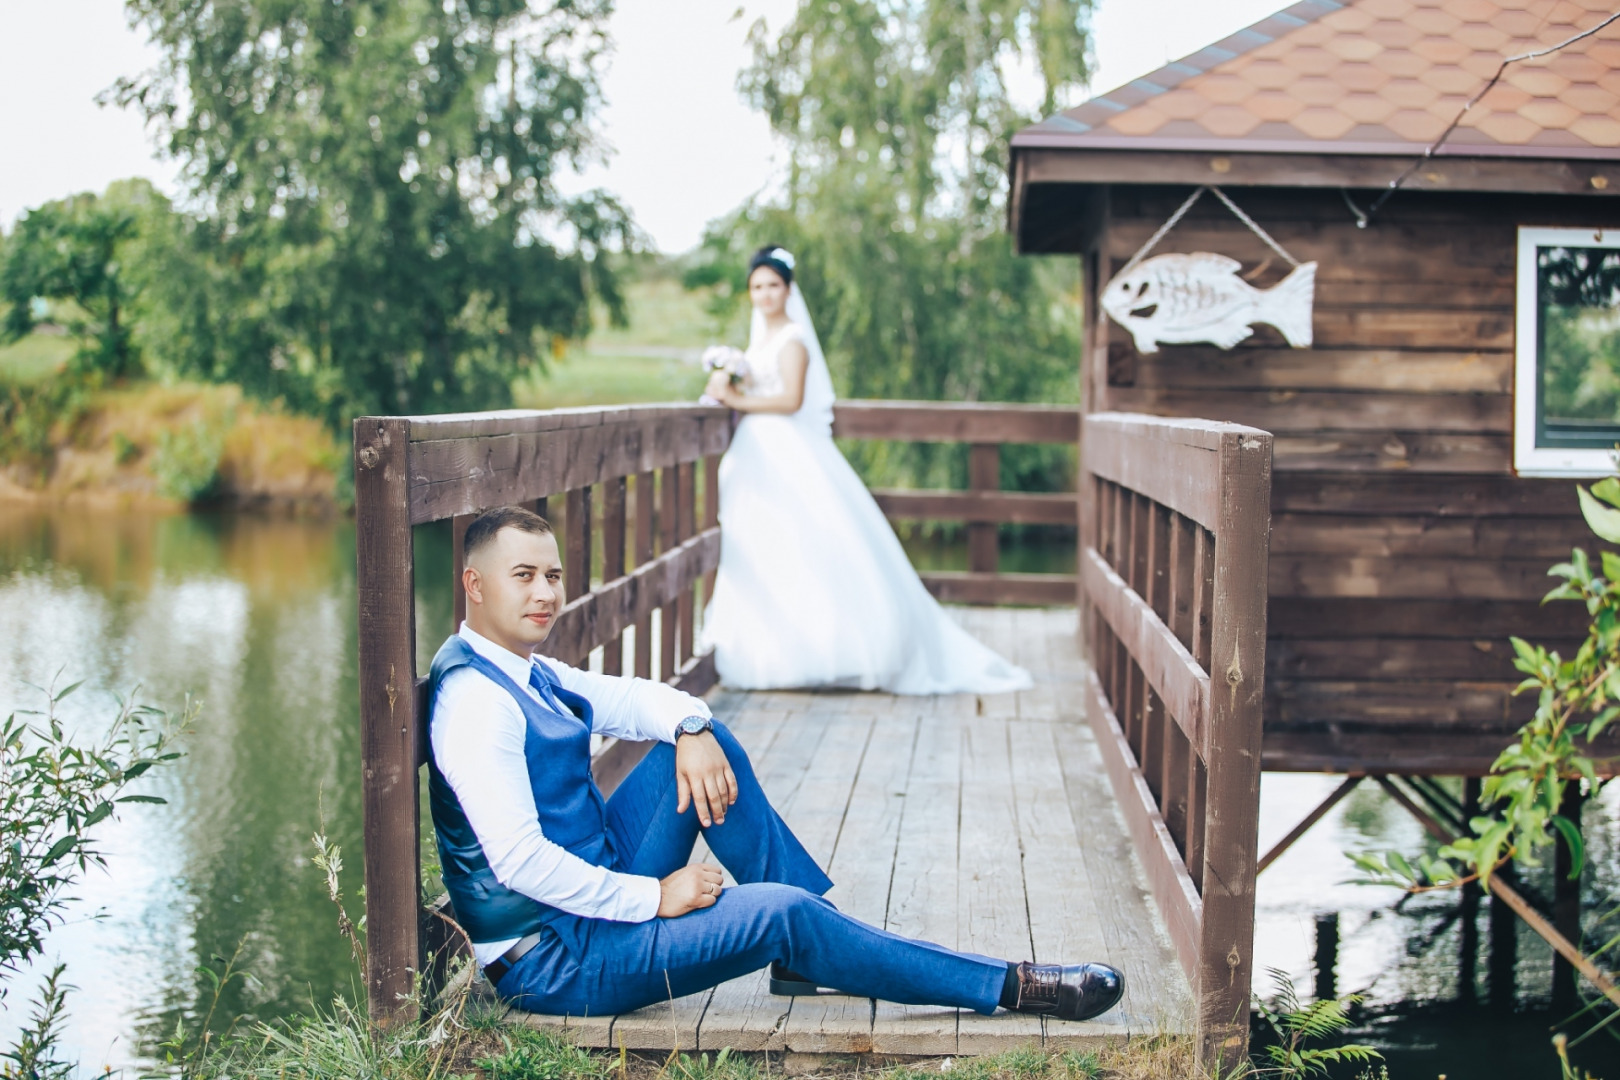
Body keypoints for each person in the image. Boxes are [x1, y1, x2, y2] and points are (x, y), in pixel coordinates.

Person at [429, 505, 1124, 1021]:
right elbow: (518, 864)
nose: (546, 593)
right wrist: (654, 898)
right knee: (785, 913)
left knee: (703, 746)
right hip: (556, 961)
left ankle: (810, 951)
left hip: (594, 896)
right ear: (475, 584)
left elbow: (637, 700)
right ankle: (1011, 984)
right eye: (523, 576)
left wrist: (693, 724)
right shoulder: (476, 703)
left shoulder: (529, 669)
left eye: (552, 574)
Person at [700, 245, 1032, 694]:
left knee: (808, 542)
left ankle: (827, 651)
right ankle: (772, 653)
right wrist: (724, 378)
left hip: (785, 448)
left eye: (773, 285)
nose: (765, 294)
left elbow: (792, 399)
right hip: (757, 453)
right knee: (766, 542)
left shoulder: (793, 340)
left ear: (788, 289)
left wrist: (738, 399)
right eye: (757, 286)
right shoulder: (758, 341)